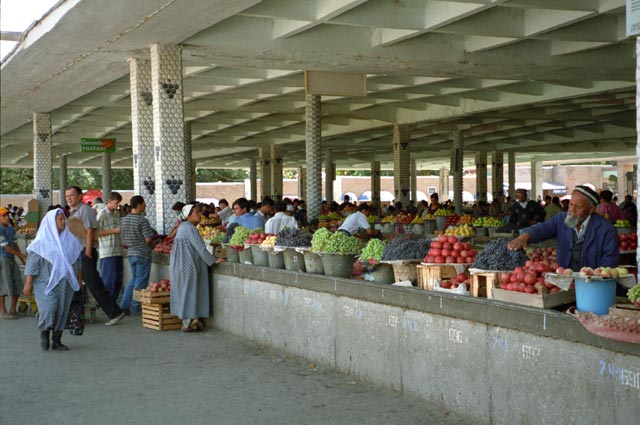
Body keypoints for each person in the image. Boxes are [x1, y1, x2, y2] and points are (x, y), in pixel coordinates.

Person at [507, 186, 619, 271]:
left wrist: (593, 276)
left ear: (591, 209)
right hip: (565, 279)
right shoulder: (561, 219)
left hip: (591, 284)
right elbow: (542, 229)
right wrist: (524, 237)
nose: (571, 209)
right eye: (571, 204)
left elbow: (610, 261)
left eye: (577, 207)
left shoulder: (606, 229)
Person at [23, 208, 83, 350]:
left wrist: (79, 280)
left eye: (64, 219)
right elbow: (32, 264)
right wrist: (28, 283)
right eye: (60, 219)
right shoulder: (41, 242)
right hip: (45, 283)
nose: (63, 222)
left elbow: (78, 262)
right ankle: (44, 333)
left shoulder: (71, 240)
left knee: (62, 310)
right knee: (49, 307)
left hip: (65, 283)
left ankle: (57, 340)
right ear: (51, 222)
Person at [65, 186, 125, 326]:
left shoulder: (85, 210)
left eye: (72, 195)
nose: (69, 198)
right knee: (79, 283)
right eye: (67, 195)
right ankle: (74, 313)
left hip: (86, 251)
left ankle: (114, 312)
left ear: (80, 196)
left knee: (94, 284)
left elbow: (90, 231)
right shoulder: (73, 212)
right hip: (76, 252)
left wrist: (87, 251)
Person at [170, 204, 223, 332]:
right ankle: (190, 322)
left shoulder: (182, 227)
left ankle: (189, 321)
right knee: (191, 292)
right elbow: (201, 249)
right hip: (189, 265)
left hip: (179, 265)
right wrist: (214, 260)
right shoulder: (191, 229)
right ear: (189, 215)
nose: (199, 215)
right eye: (196, 213)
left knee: (184, 292)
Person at [119, 195, 155, 315]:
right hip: (143, 253)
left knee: (133, 279)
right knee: (141, 281)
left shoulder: (123, 220)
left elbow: (123, 241)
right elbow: (148, 239)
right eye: (144, 203)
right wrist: (152, 244)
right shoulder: (142, 220)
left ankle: (124, 304)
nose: (145, 205)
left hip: (131, 253)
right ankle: (136, 306)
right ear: (139, 205)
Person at [96, 192, 124, 303]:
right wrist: (113, 231)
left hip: (118, 250)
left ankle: (113, 302)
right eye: (116, 203)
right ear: (110, 201)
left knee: (118, 279)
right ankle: (106, 304)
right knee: (109, 279)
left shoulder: (117, 214)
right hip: (107, 251)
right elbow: (96, 232)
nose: (117, 205)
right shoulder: (102, 214)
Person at [0, 207, 26, 319]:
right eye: (3, 216)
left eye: (7, 215)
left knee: (17, 282)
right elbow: (6, 248)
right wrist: (21, 255)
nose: (7, 217)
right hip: (3, 259)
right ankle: (4, 312)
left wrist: (22, 260)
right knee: (3, 285)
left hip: (11, 259)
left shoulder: (10, 229)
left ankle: (13, 310)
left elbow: (15, 245)